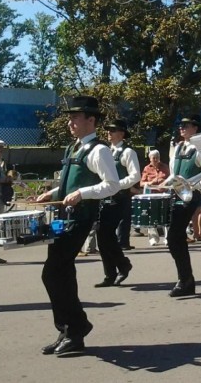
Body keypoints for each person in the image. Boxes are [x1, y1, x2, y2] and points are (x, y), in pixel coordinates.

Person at [34, 95, 120, 356]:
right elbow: (72, 180)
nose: (70, 122)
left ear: (91, 120)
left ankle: (77, 326)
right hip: (64, 216)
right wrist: (53, 192)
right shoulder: (74, 148)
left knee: (52, 273)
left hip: (80, 218)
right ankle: (69, 330)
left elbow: (112, 185)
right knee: (61, 273)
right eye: (69, 117)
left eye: (75, 117)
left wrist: (83, 193)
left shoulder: (99, 150)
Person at [93, 119, 140, 288]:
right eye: (108, 130)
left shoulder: (128, 152)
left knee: (107, 234)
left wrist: (116, 185)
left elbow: (135, 176)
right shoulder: (107, 151)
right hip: (106, 198)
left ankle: (120, 266)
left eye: (113, 131)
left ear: (121, 133)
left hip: (119, 198)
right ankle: (112, 272)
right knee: (102, 236)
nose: (109, 133)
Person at [166, 115, 201, 296]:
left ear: (195, 128)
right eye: (180, 125)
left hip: (190, 196)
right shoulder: (178, 147)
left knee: (174, 236)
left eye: (186, 125)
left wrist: (198, 185)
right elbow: (173, 174)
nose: (182, 128)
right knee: (175, 238)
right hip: (177, 193)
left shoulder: (199, 148)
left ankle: (185, 280)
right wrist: (162, 185)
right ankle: (186, 279)